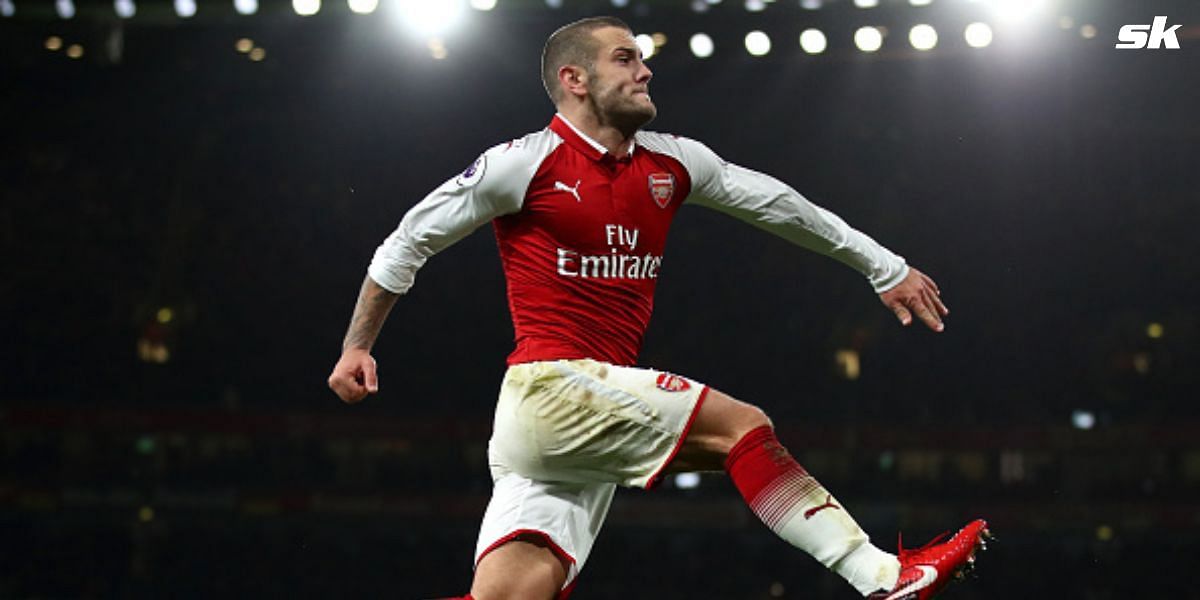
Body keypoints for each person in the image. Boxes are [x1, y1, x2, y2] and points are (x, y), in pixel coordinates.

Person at [327, 16, 988, 600]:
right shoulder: (522, 165)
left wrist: (883, 264)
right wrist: (359, 345)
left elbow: (783, 206)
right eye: (625, 59)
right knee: (743, 426)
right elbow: (408, 239)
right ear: (574, 79)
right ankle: (880, 577)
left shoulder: (674, 163)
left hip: (563, 432)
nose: (645, 70)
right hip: (551, 390)